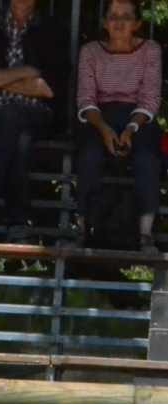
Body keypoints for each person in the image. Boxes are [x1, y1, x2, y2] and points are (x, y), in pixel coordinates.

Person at [0, 0, 69, 238]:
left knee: (11, 114)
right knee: (20, 140)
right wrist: (26, 72)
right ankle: (18, 219)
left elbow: (48, 88)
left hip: (39, 113)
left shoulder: (52, 30)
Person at [74, 0, 161, 251]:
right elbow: (86, 99)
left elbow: (150, 98)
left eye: (126, 17)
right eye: (113, 16)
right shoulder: (90, 51)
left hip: (138, 118)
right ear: (104, 22)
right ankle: (81, 228)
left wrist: (130, 129)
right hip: (98, 116)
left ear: (137, 24)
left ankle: (145, 233)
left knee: (147, 158)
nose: (119, 22)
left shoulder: (151, 50)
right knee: (89, 155)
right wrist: (105, 130)